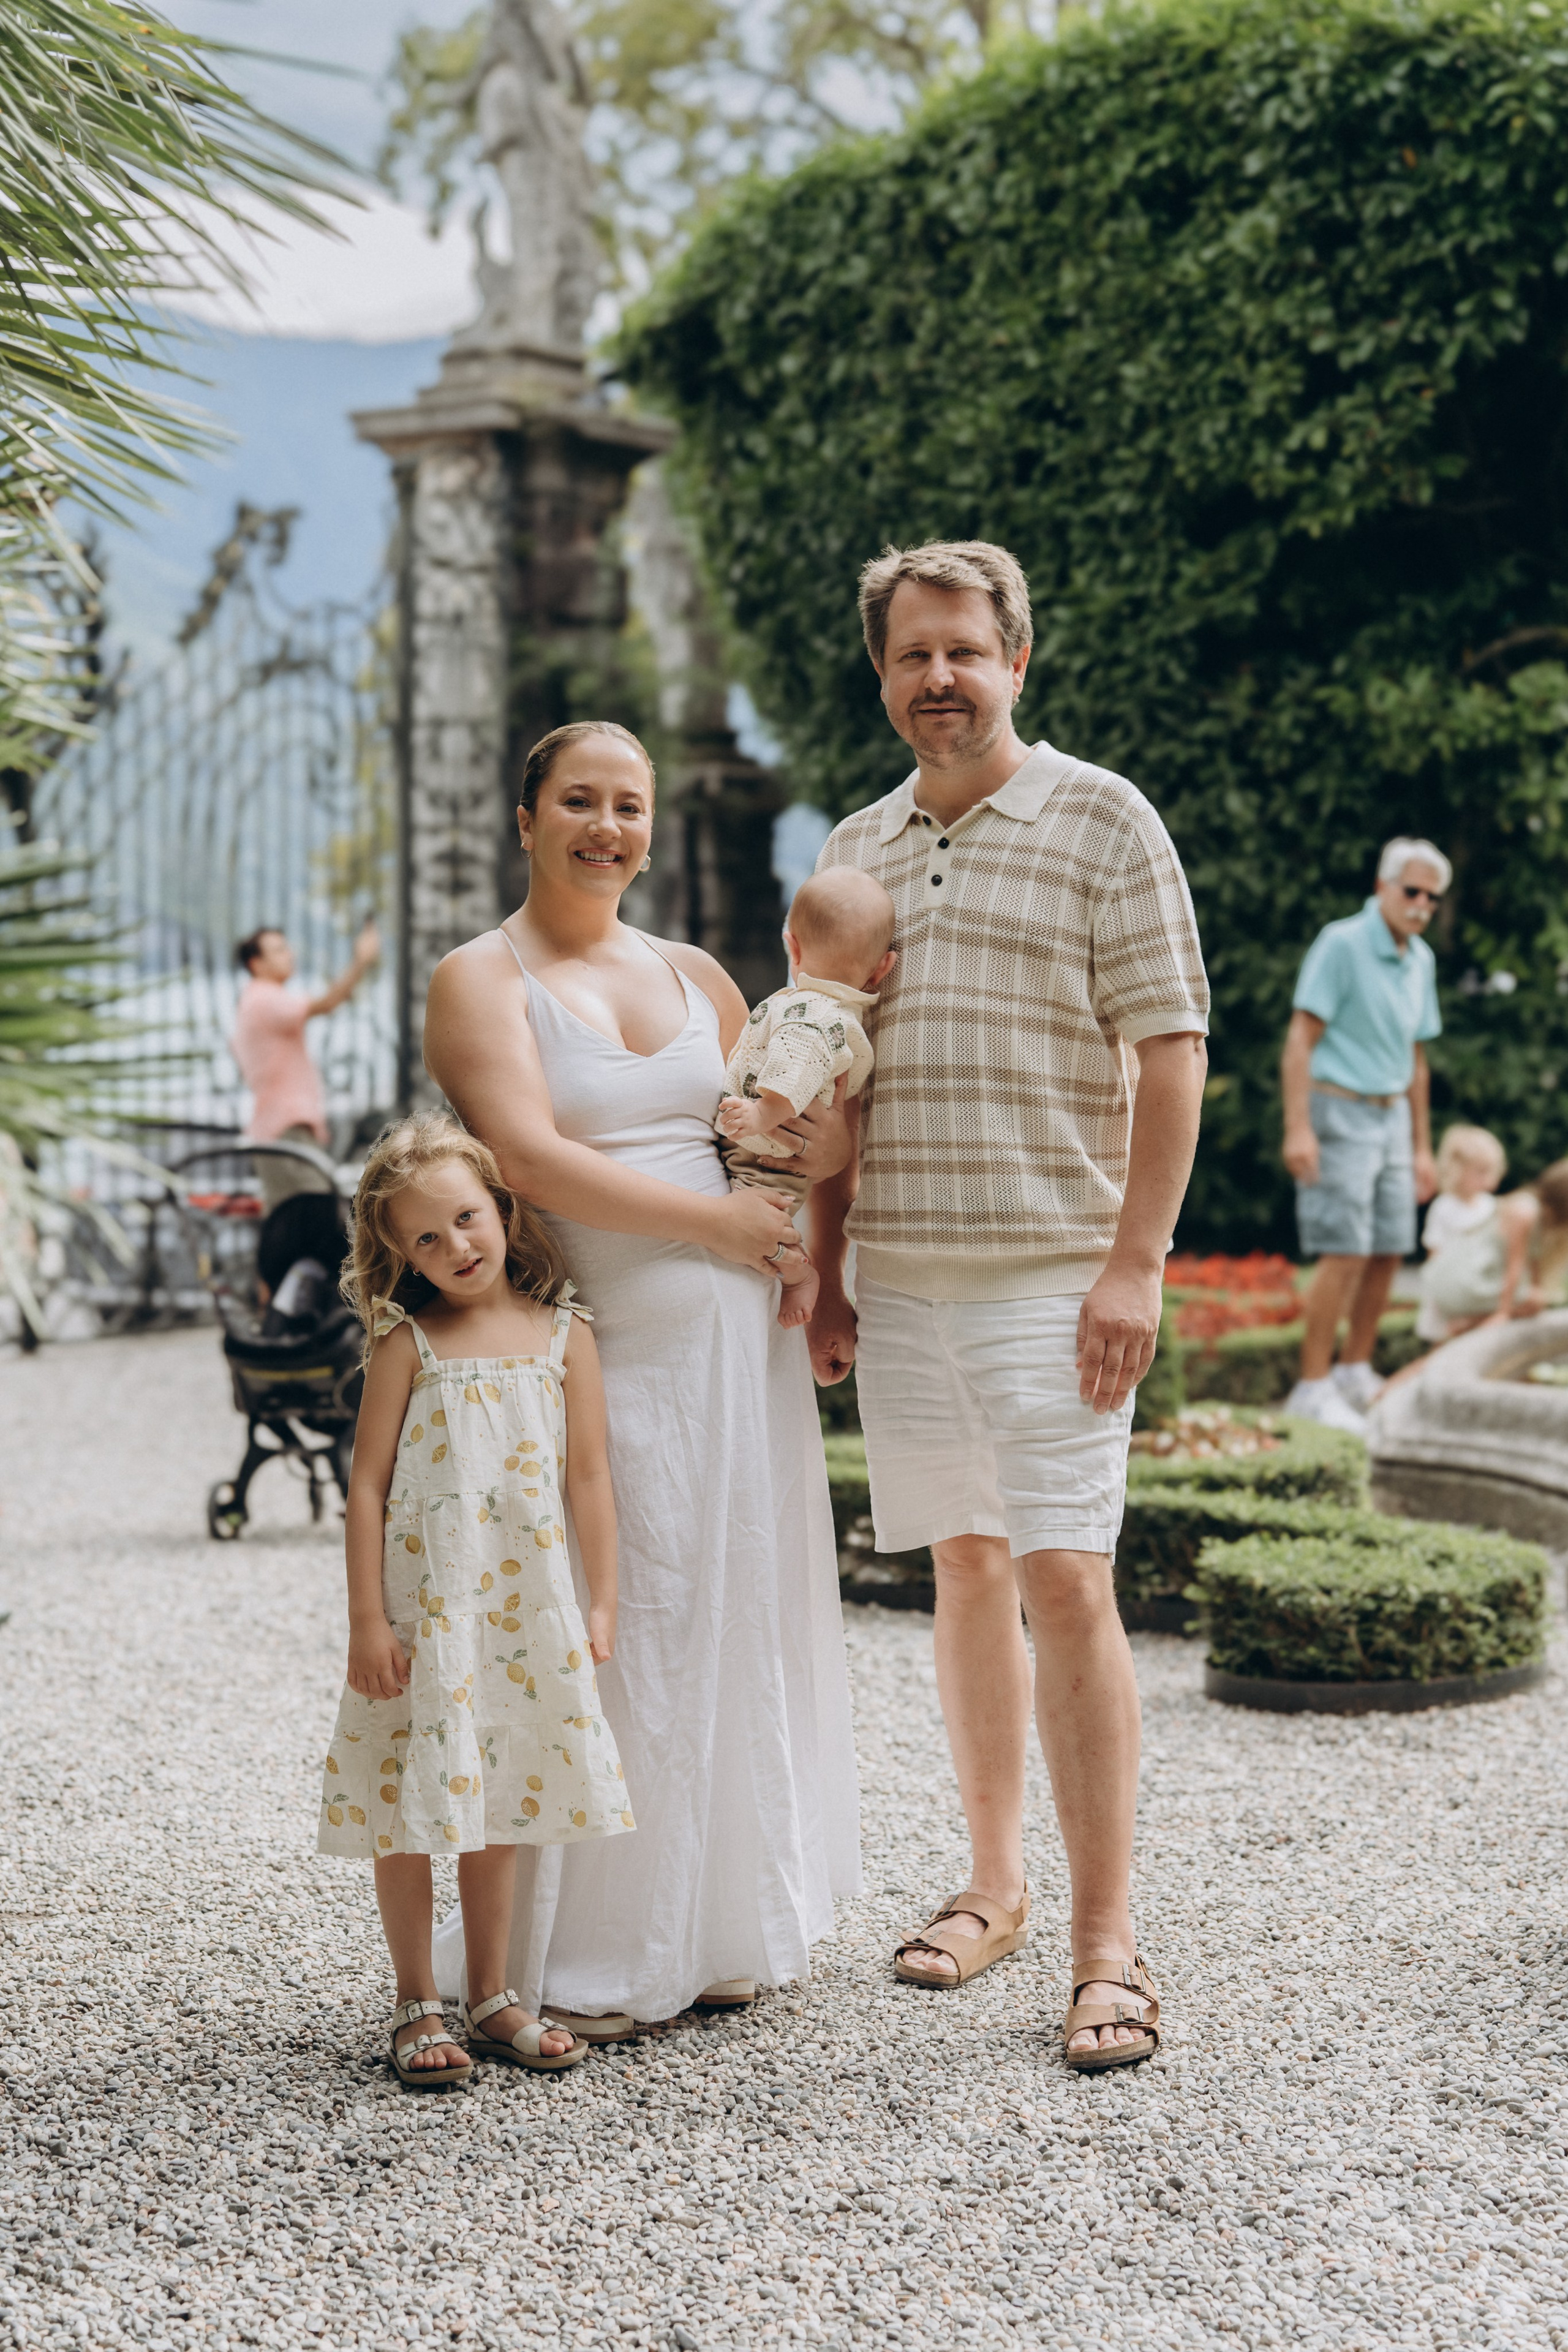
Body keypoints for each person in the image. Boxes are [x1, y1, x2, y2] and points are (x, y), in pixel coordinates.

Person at [806, 540, 1209, 2071]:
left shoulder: (1105, 817)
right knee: (963, 1572)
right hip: (900, 1273)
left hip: (1057, 1275)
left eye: (962, 650)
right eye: (910, 656)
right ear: (883, 673)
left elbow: (1167, 1051)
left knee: (1064, 1581)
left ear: (1015, 657)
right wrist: (828, 1269)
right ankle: (993, 1884)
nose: (937, 678)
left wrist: (1134, 1264)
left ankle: (1108, 1944)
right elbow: (832, 1065)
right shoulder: (857, 844)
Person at [421, 719, 860, 2034]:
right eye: (577, 802)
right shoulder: (478, 978)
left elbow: (783, 1141)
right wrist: (714, 1230)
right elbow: (527, 1159)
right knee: (616, 1621)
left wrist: (809, 1161)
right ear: (525, 818)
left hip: (739, 1346)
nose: (605, 828)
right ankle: (587, 1951)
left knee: (729, 1603)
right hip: (600, 1349)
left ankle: (720, 1922)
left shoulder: (697, 975)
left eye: (627, 805)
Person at [317, 1111, 628, 2087]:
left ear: (501, 1207)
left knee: (505, 1795)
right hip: (427, 1619)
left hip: (525, 1616)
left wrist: (603, 1600)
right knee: (413, 1799)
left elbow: (589, 1479)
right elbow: (365, 1484)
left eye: (466, 1218)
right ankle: (416, 1998)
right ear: (397, 1254)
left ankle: (492, 1994)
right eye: (425, 1237)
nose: (456, 1246)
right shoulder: (409, 1342)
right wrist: (369, 1619)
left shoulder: (564, 1334)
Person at [1281, 839, 1446, 1433]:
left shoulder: (1420, 960)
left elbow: (1416, 1060)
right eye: (1412, 891)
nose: (1422, 904)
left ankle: (1354, 1371)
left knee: (1389, 1248)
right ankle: (1312, 1385)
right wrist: (1298, 1127)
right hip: (1338, 1110)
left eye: (1432, 896)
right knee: (1344, 1250)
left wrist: (1423, 1146)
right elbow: (1300, 1038)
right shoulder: (1342, 943)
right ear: (1383, 887)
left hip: (1394, 1117)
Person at [715, 867, 896, 1327]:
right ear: (882, 969)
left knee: (758, 1213)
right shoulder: (827, 1012)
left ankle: (797, 1272)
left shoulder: (812, 1016)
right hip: (766, 1145)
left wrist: (760, 1114)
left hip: (769, 1149)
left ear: (790, 946)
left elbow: (791, 1078)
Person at [231, 921, 380, 1209]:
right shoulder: (265, 998)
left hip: (277, 1128)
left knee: (292, 1224)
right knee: (322, 1216)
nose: (290, 954)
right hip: (287, 1128)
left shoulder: (252, 1001)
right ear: (256, 964)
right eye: (278, 950)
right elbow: (327, 1004)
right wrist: (361, 961)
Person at [1417, 1157, 1568, 1338]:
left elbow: (1534, 1270)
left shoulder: (1540, 1217)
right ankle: (1470, 1324)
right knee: (1531, 1300)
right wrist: (1503, 1313)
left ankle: (1468, 1324)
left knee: (1536, 1300)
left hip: (1481, 1280)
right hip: (1466, 1280)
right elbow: (1515, 1265)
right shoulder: (1525, 1210)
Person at [1415, 1126, 1507, 1343]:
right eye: (1480, 1171)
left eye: (1490, 1170)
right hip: (1451, 1285)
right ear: (1457, 1169)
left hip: (1479, 1283)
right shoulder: (1444, 1207)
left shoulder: (1490, 1206)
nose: (1486, 1178)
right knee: (1444, 1340)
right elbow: (1434, 1253)